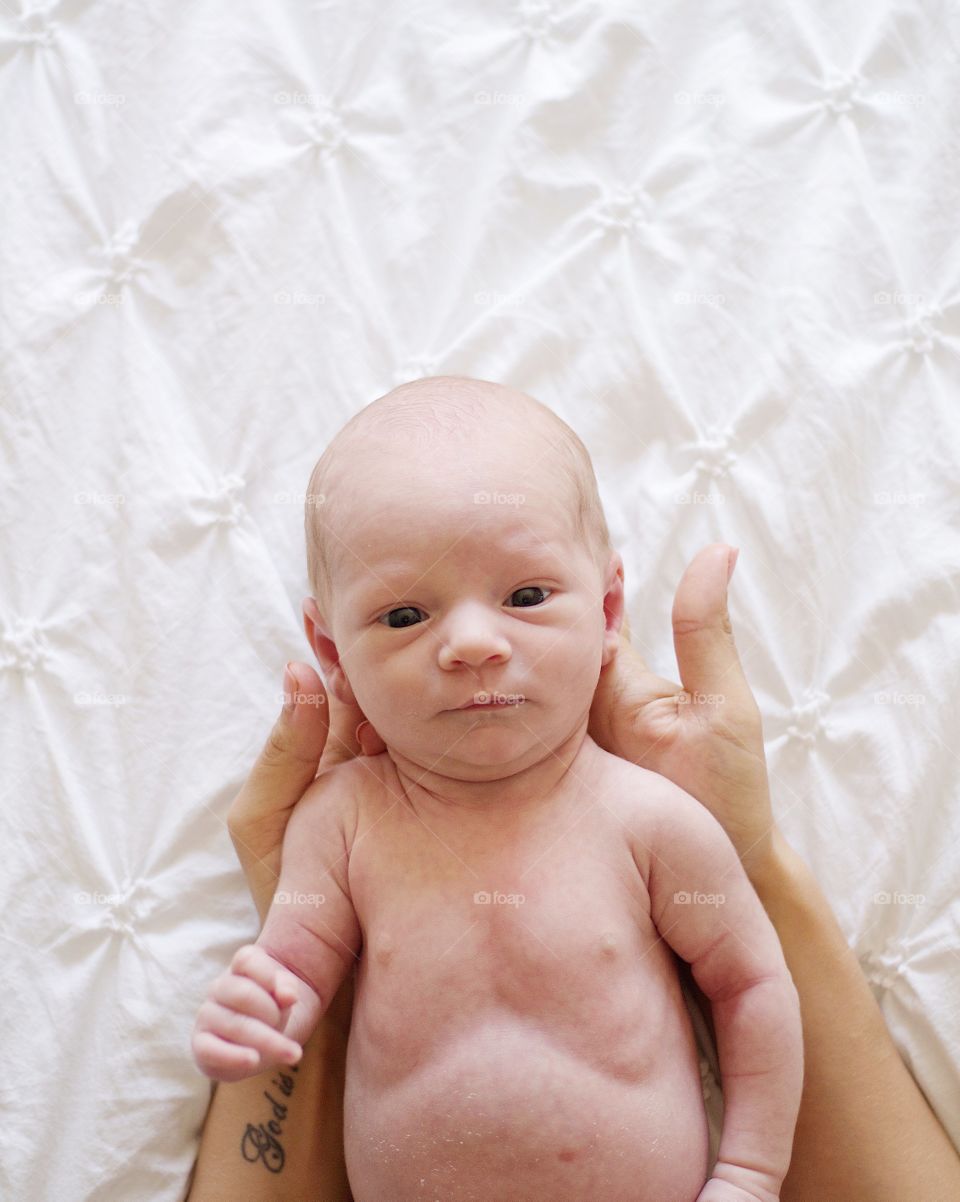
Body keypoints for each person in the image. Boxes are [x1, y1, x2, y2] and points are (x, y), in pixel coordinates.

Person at [186, 419, 960, 1202]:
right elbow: (290, 971)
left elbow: (753, 986)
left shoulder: (650, 820)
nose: (472, 643)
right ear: (328, 647)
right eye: (403, 616)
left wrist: (750, 1174)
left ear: (610, 605)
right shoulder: (341, 823)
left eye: (525, 596)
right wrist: (251, 1015)